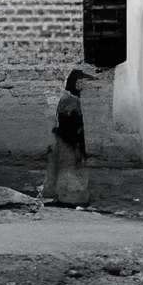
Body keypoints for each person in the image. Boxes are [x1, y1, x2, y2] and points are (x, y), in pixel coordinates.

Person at [47, 64, 94, 207]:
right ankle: (69, 198)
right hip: (69, 143)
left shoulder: (72, 99)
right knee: (69, 169)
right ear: (73, 83)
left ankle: (71, 197)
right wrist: (77, 145)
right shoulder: (68, 100)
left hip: (72, 142)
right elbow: (67, 125)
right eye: (79, 83)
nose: (81, 86)